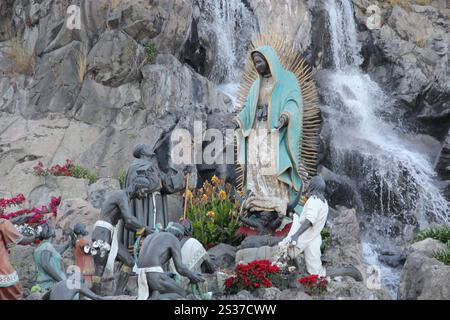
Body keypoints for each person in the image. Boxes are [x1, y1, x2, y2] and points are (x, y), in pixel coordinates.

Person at [91, 175, 153, 294]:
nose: (145, 195)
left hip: (110, 233)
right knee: (99, 269)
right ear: (138, 186)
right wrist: (145, 228)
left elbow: (127, 225)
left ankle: (118, 294)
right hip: (102, 232)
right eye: (145, 191)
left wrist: (143, 231)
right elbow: (129, 219)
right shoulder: (121, 195)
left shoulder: (126, 199)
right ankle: (94, 297)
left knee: (129, 261)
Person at [136, 222, 204, 300]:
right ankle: (155, 298)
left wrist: (165, 274)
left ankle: (154, 294)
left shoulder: (150, 236)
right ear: (179, 235)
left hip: (139, 277)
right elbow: (180, 268)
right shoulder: (173, 239)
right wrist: (192, 276)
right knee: (182, 293)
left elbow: (148, 265)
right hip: (154, 278)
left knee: (163, 287)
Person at [278, 175, 328, 276]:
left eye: (310, 182)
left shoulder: (314, 200)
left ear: (313, 185)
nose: (308, 184)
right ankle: (317, 282)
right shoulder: (324, 202)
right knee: (316, 270)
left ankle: (274, 272)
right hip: (313, 236)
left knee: (285, 251)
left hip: (304, 234)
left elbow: (309, 221)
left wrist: (296, 235)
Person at [0, 218, 36, 300]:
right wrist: (36, 236)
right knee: (15, 295)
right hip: (3, 270)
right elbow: (21, 240)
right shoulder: (3, 223)